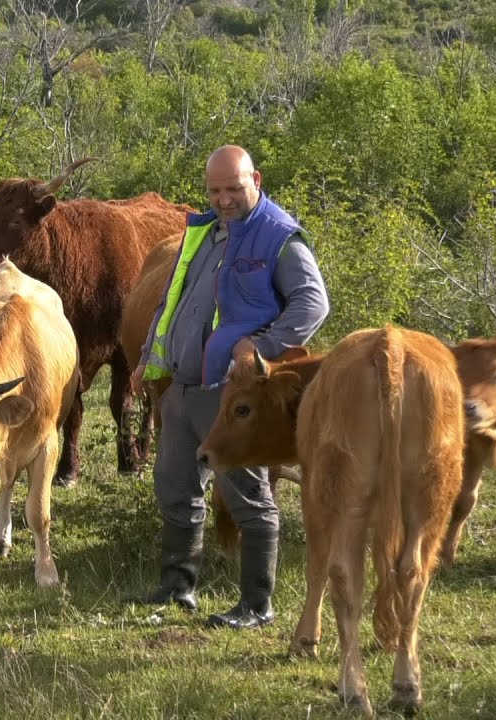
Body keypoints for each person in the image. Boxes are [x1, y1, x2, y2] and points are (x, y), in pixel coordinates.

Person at [132, 145, 330, 629]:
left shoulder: (279, 237)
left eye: (233, 189)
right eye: (214, 190)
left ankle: (256, 606)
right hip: (181, 385)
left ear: (255, 180)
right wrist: (146, 359)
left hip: (232, 392)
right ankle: (177, 589)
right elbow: (172, 304)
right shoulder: (203, 231)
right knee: (174, 486)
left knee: (247, 495)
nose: (223, 199)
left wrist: (261, 347)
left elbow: (313, 303)